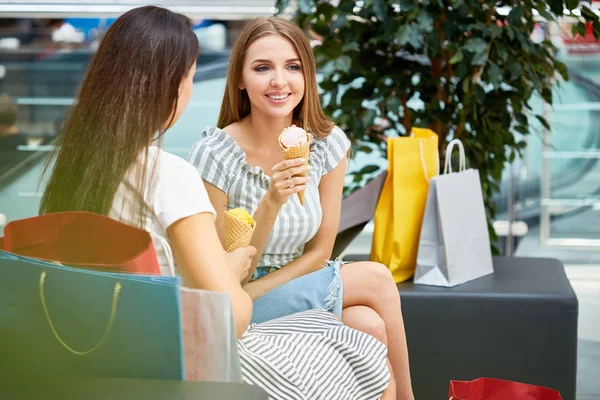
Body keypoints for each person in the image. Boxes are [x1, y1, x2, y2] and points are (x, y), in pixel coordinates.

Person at [38, 7, 392, 400]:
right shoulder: (172, 176)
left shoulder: (74, 169)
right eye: (190, 76)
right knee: (366, 356)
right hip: (183, 359)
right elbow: (230, 315)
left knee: (365, 325)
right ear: (171, 85)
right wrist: (232, 265)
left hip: (106, 354)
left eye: (293, 66)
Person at [189, 17, 414, 399]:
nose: (280, 81)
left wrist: (259, 289)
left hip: (288, 282)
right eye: (263, 68)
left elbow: (320, 253)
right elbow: (222, 270)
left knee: (370, 324)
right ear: (241, 79)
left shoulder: (327, 144)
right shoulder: (214, 153)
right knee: (376, 278)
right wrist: (271, 202)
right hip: (233, 298)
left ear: (307, 76)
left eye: (293, 67)